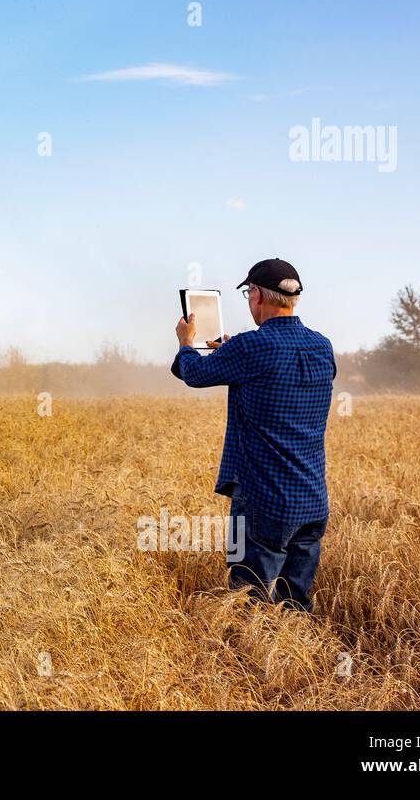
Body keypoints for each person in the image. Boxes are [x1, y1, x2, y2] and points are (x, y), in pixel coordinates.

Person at [171, 258, 335, 613]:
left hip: (262, 502)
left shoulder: (250, 348)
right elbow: (279, 370)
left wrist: (187, 342)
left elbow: (194, 373)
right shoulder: (323, 347)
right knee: (295, 606)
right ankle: (295, 664)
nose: (249, 301)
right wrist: (232, 352)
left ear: (258, 295)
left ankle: (247, 665)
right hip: (312, 502)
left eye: (248, 294)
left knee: (247, 604)